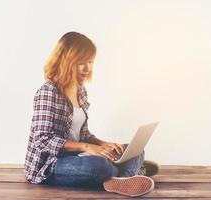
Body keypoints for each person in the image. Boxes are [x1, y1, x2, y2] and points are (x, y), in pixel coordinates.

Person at [24, 31, 159, 197]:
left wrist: (104, 144)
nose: (87, 68)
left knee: (134, 150)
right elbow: (42, 140)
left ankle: (121, 178)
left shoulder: (80, 91)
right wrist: (88, 147)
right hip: (50, 165)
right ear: (66, 61)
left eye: (90, 62)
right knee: (99, 166)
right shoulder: (48, 92)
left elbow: (84, 134)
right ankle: (130, 172)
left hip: (76, 156)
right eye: (81, 62)